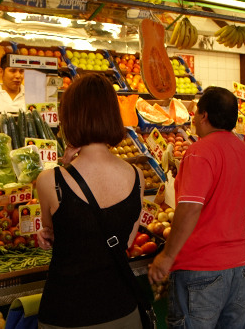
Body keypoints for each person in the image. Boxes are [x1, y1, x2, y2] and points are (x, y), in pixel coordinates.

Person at [35, 73, 145, 328]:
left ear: (69, 118)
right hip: (121, 310)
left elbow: (53, 234)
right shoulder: (137, 176)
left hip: (65, 312)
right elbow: (126, 241)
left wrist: (65, 166)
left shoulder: (50, 180)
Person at [148, 86, 245, 329]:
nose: (194, 118)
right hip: (238, 268)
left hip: (200, 270)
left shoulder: (200, 152)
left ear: (204, 116)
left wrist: (167, 256)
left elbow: (189, 208)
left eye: (196, 113)